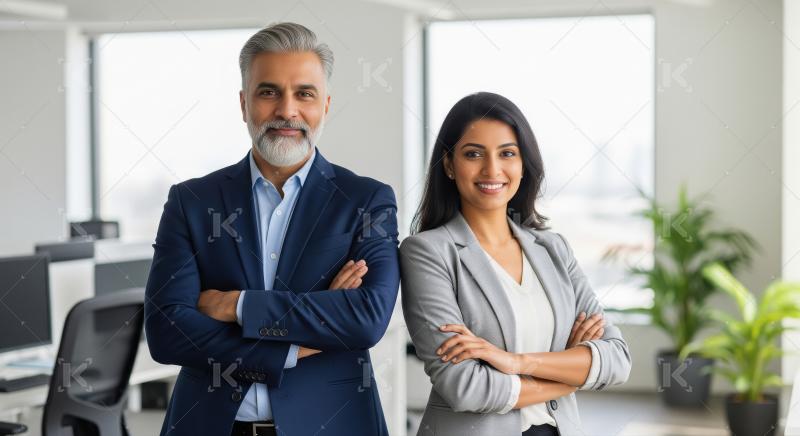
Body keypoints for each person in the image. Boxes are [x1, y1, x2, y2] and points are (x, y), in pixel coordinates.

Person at [144, 22, 400, 436]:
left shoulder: (366, 201)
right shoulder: (191, 201)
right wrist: (299, 342)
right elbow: (167, 332)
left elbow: (366, 320)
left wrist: (237, 306)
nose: (286, 110)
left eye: (304, 93)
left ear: (326, 105)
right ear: (244, 104)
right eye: (268, 92)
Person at [400, 92, 631, 436]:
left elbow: (616, 360)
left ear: (523, 164)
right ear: (449, 165)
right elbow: (465, 386)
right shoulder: (427, 252)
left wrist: (514, 362)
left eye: (507, 153)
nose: (492, 169)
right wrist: (569, 375)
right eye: (473, 154)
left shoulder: (553, 249)